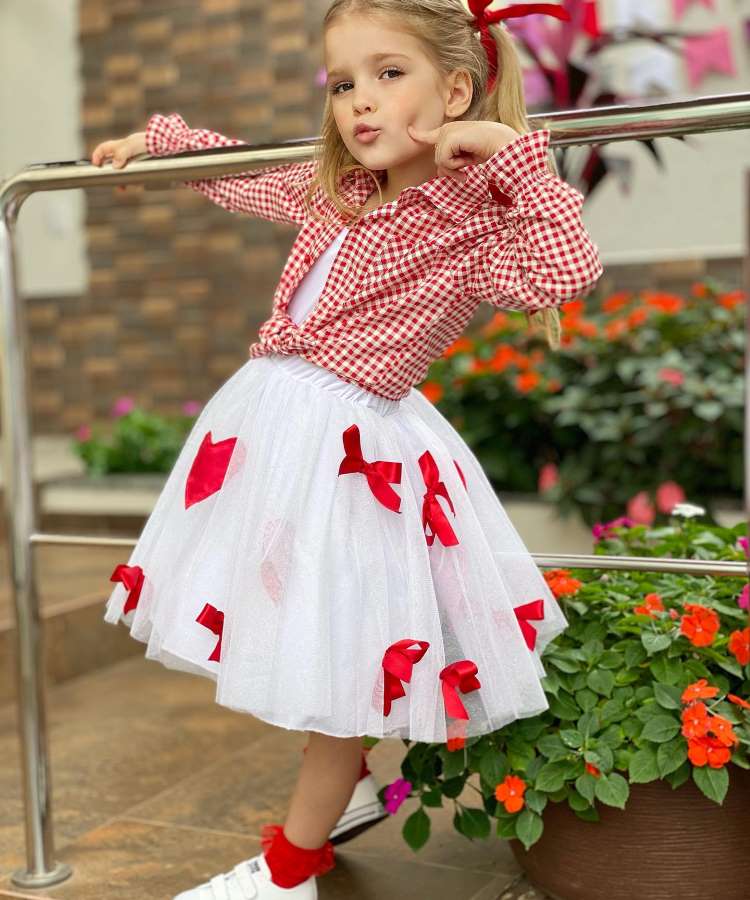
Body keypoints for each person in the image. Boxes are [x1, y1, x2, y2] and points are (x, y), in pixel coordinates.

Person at [91, 1, 603, 897]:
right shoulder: (335, 189)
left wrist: (509, 152)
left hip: (356, 455)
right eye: (342, 83)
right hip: (276, 437)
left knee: (335, 655)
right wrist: (159, 141)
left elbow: (562, 272)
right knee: (300, 633)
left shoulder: (470, 221)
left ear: (454, 90)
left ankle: (292, 865)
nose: (360, 103)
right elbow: (236, 174)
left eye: (388, 74)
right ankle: (355, 792)